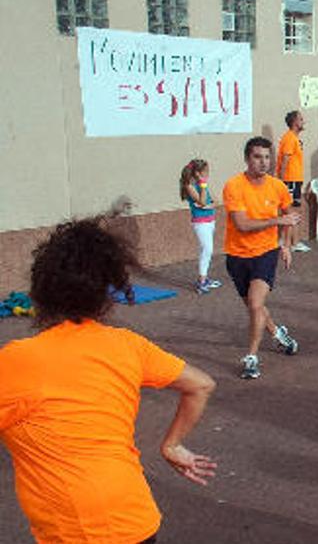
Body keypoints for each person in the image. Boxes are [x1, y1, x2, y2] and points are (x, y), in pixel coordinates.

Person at [0, 217, 217, 544]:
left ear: (39, 290)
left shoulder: (14, 361)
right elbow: (201, 384)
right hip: (136, 518)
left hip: (76, 532)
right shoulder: (127, 345)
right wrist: (171, 444)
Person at [223, 136, 302, 379]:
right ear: (247, 159)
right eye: (257, 157)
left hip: (266, 253)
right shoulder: (234, 186)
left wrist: (285, 245)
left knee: (256, 304)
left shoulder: (277, 186)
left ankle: (251, 358)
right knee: (254, 307)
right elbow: (242, 224)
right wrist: (278, 220)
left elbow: (291, 216)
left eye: (267, 157)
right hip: (236, 255)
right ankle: (279, 334)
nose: (263, 162)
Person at [179, 158, 221, 294]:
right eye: (205, 172)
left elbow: (215, 201)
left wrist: (207, 204)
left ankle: (205, 278)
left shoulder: (203, 185)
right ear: (197, 173)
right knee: (207, 249)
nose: (207, 175)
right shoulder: (190, 186)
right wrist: (203, 185)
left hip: (210, 220)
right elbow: (203, 201)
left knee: (207, 250)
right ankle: (201, 282)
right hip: (200, 222)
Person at [276, 110, 309, 253]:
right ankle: (290, 242)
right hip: (290, 179)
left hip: (295, 179)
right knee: (290, 211)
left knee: (292, 210)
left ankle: (290, 241)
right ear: (295, 122)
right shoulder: (289, 138)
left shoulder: (294, 138)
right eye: (301, 119)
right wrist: (282, 182)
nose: (303, 121)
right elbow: (285, 160)